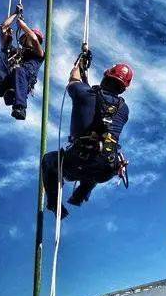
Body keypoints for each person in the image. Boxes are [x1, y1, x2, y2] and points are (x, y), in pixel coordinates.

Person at [41, 61, 133, 219]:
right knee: (97, 160)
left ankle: (53, 202)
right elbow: (98, 108)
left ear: (106, 77)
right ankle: (80, 194)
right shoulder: (124, 109)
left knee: (49, 160)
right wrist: (85, 78)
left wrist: (79, 64)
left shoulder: (83, 93)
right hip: (107, 168)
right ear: (124, 88)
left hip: (79, 160)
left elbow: (73, 80)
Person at [0, 4, 45, 120]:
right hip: (8, 80)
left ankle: (20, 107)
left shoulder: (38, 55)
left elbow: (34, 39)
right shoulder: (15, 51)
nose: (31, 38)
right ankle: (5, 91)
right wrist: (15, 14)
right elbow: (2, 28)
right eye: (27, 37)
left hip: (23, 79)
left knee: (19, 70)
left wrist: (24, 26)